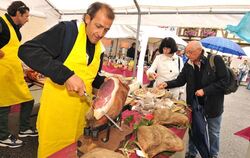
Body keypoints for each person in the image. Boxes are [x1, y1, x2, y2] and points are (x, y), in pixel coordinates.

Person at [18, 2, 114, 157]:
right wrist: (66, 75)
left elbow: (91, 77)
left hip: (80, 119)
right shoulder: (67, 31)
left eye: (106, 29)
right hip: (57, 117)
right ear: (87, 18)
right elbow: (27, 50)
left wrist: (106, 83)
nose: (101, 33)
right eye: (98, 26)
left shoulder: (100, 49)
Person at [157, 41, 229, 158]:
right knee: (195, 130)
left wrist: (205, 90)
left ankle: (213, 154)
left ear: (199, 51)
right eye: (186, 53)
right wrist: (166, 84)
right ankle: (192, 153)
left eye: (190, 52)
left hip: (213, 104)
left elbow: (224, 81)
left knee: (213, 132)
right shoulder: (189, 63)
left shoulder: (215, 60)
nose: (188, 55)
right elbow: (181, 80)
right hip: (195, 104)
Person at [0, 1, 38, 148]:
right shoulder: (2, 23)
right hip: (3, 74)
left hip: (13, 73)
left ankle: (24, 128)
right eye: (26, 16)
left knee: (28, 99)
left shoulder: (15, 28)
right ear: (18, 13)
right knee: (3, 106)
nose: (28, 19)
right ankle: (3, 137)